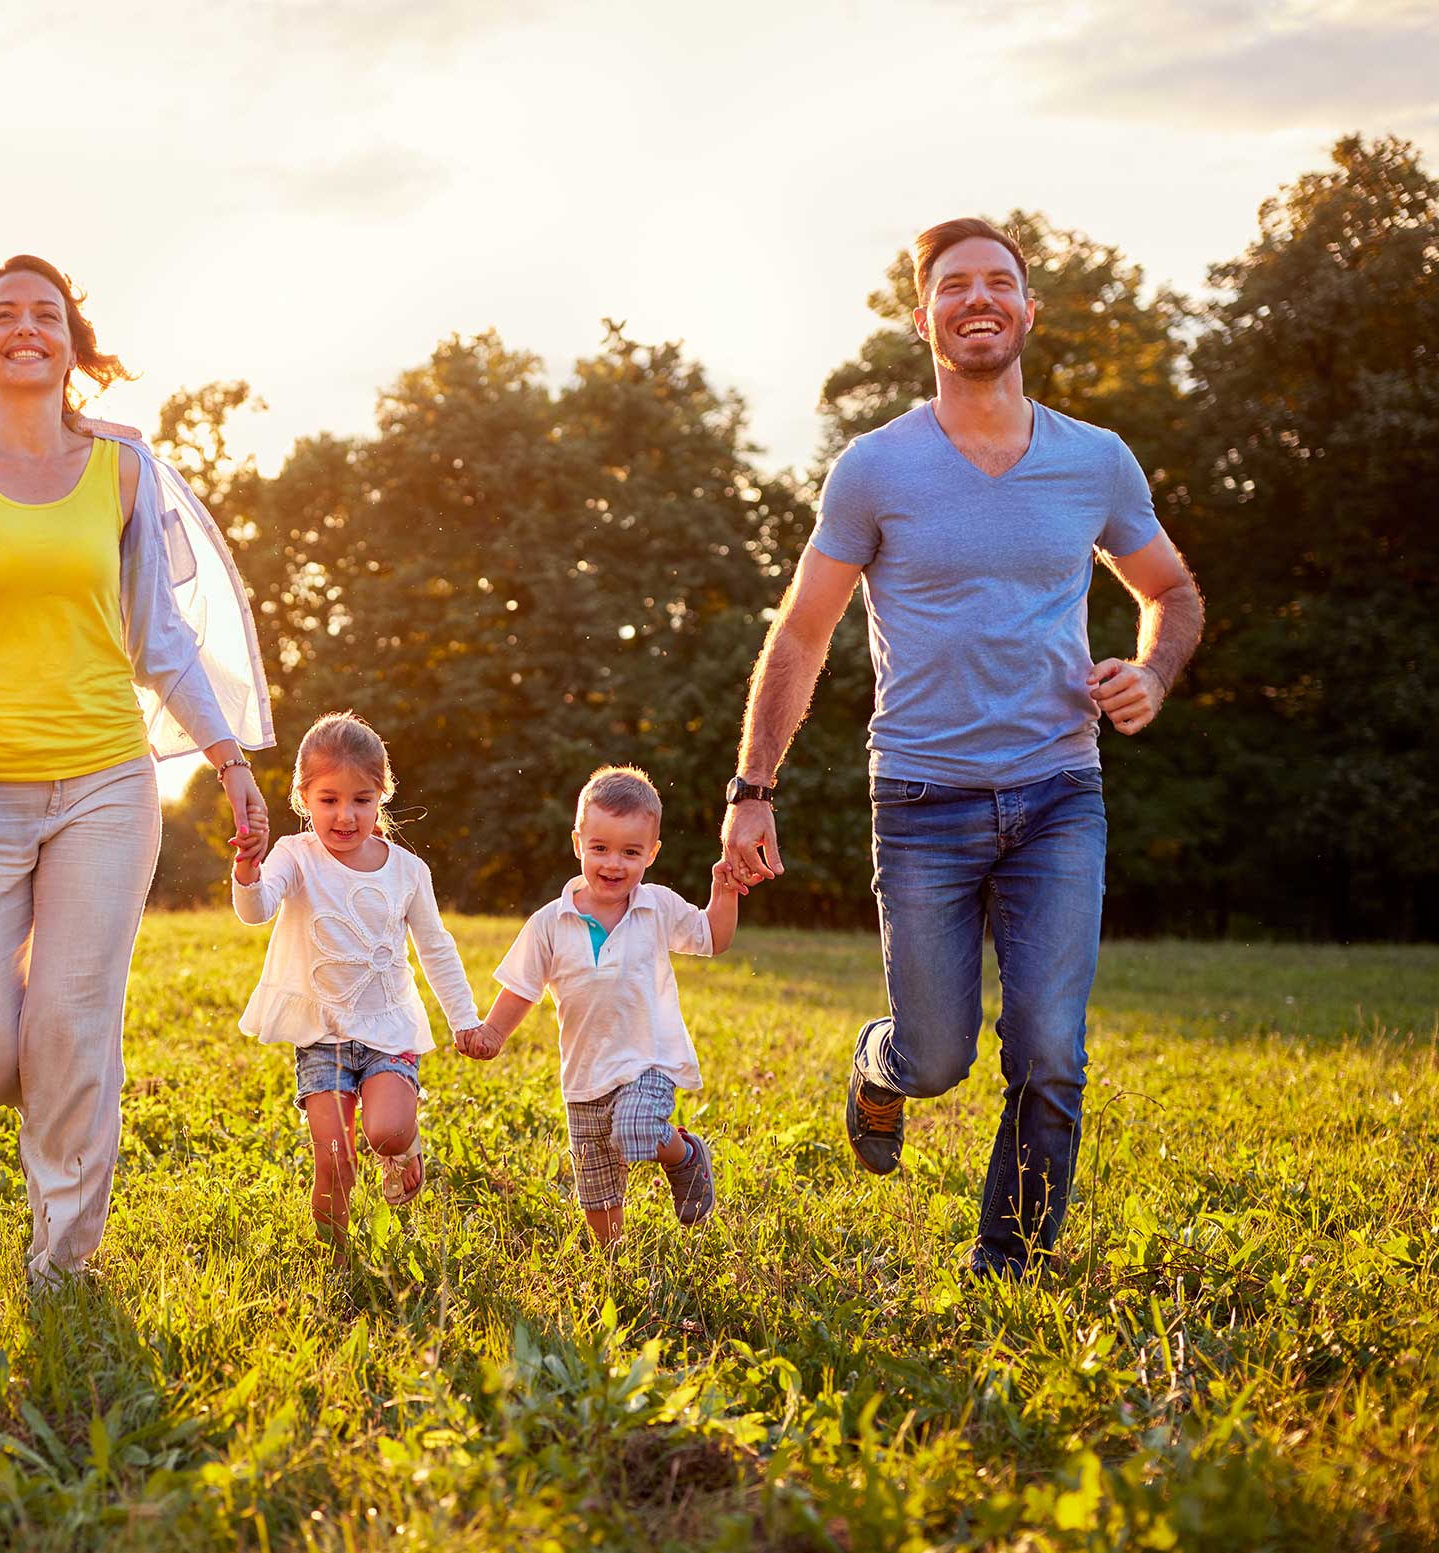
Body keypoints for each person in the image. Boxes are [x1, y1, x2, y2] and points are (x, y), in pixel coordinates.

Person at [719, 217, 1204, 1279]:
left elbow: (1170, 590)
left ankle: (1008, 1260)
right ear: (923, 315)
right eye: (953, 286)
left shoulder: (1095, 461)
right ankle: (879, 1065)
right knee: (935, 1055)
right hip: (924, 801)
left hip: (1058, 792)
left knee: (1049, 1051)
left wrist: (1152, 671)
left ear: (1029, 310)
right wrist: (752, 788)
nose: (977, 299)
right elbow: (800, 633)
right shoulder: (876, 468)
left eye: (1000, 283)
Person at [0, 253, 274, 1287]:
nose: (25, 327)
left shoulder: (123, 465)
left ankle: (63, 1261)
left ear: (74, 343)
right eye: (3, 315)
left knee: (74, 1024)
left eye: (46, 313)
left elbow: (159, 635)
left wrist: (230, 759)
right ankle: (30, 1029)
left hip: (104, 786)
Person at [463, 766, 743, 1245]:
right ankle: (611, 1265)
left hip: (646, 1061)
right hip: (584, 1075)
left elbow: (712, 938)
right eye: (601, 849)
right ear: (578, 844)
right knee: (596, 1190)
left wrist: (725, 891)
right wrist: (492, 1033)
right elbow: (522, 988)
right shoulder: (550, 923)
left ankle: (686, 1157)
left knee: (636, 1127)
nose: (614, 864)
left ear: (651, 854)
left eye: (630, 853)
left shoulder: (656, 906)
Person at [233, 712, 483, 1243]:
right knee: (335, 1158)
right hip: (322, 1034)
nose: (345, 816)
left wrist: (464, 1018)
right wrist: (247, 874)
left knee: (387, 1132)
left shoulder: (409, 871)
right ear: (304, 798)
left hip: (388, 1028)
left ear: (382, 795)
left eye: (361, 800)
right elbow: (257, 909)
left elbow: (435, 948)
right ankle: (337, 1263)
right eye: (329, 800)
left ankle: (403, 1150)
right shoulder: (293, 857)